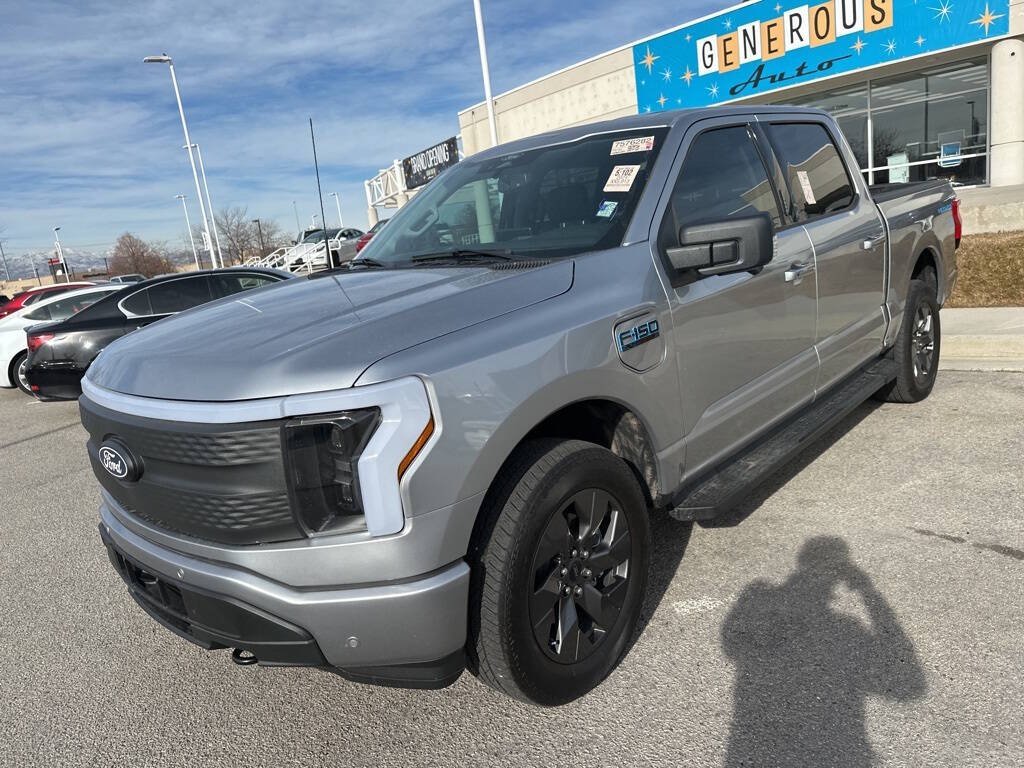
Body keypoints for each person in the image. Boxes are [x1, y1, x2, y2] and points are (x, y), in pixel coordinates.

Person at [722, 536, 926, 767]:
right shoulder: (848, 628)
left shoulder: (760, 596)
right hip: (841, 751)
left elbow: (732, 646)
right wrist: (868, 592)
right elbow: (910, 687)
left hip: (751, 749)